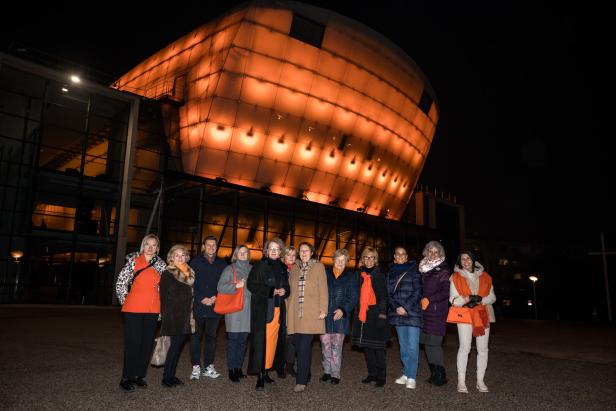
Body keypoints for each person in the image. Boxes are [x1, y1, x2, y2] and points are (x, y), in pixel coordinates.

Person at [115, 234, 167, 391]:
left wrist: (162, 310)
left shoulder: (161, 265)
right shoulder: (133, 261)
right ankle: (126, 377)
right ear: (143, 246)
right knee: (133, 343)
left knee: (146, 344)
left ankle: (139, 375)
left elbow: (163, 289)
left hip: (153, 310)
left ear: (157, 248)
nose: (150, 248)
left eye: (154, 245)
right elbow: (120, 284)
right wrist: (127, 302)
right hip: (134, 309)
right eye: (147, 244)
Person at [450, 250, 496, 393]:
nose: (465, 261)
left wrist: (480, 299)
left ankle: (480, 381)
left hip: (483, 315)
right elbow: (453, 300)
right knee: (465, 348)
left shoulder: (486, 277)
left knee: (483, 349)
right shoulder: (455, 277)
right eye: (462, 259)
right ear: (460, 262)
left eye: (468, 258)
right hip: (465, 316)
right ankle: (461, 382)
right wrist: (467, 298)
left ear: (473, 260)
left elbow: (492, 297)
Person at [247, 238, 290, 391]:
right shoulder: (260, 266)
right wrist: (271, 291)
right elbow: (251, 284)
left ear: (280, 252)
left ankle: (266, 372)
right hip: (263, 310)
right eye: (270, 248)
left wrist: (285, 291)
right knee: (261, 343)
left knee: (272, 343)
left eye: (276, 248)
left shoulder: (283, 267)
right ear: (266, 251)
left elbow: (286, 287)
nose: (273, 251)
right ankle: (259, 375)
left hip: (278, 311)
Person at [287, 242, 328, 392]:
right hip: (295, 313)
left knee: (304, 346)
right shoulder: (295, 268)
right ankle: (306, 371)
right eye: (301, 251)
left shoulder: (319, 267)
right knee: (297, 344)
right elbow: (289, 289)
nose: (303, 253)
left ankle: (301, 381)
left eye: (306, 250)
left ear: (312, 252)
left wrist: (323, 309)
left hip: (310, 313)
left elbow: (323, 289)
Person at [189, 236, 227, 380]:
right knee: (195, 337)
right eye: (208, 245)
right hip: (199, 305)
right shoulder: (195, 262)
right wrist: (201, 298)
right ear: (203, 246)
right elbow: (190, 283)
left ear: (217, 247)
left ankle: (208, 366)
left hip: (215, 307)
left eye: (214, 245)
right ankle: (195, 367)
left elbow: (225, 284)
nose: (211, 247)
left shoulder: (222, 264)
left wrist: (217, 297)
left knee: (211, 338)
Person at [351, 246, 389, 387]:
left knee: (378, 348)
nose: (369, 260)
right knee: (367, 347)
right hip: (363, 315)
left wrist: (382, 315)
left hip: (376, 314)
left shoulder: (379, 275)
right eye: (366, 257)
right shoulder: (358, 275)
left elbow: (384, 297)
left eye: (372, 257)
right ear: (363, 259)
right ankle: (371, 374)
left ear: (376, 260)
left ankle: (381, 376)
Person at [320, 248, 358, 385]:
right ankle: (327, 371)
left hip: (340, 317)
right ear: (333, 260)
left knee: (336, 347)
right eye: (338, 259)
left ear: (346, 262)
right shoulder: (325, 274)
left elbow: (353, 297)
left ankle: (335, 373)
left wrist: (343, 309)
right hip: (325, 316)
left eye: (344, 260)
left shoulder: (350, 276)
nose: (341, 262)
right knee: (325, 345)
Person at [160, 244, 195, 388]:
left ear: (186, 256)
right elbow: (164, 297)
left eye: (182, 255)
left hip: (187, 316)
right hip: (174, 316)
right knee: (174, 347)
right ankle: (166, 377)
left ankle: (171, 375)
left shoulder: (190, 272)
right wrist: (166, 316)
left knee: (178, 347)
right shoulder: (168, 273)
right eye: (176, 255)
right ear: (171, 258)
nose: (180, 257)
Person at [387, 246, 422, 389]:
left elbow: (418, 292)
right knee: (403, 347)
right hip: (398, 314)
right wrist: (396, 307)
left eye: (403, 254)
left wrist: (405, 307)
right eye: (398, 254)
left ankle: (412, 376)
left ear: (406, 257)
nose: (400, 256)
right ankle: (406, 373)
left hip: (412, 313)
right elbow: (389, 294)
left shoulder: (414, 271)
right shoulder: (390, 273)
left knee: (413, 346)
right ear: (394, 257)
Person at [217, 245, 252, 382]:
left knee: (243, 342)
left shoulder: (252, 269)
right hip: (234, 311)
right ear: (235, 255)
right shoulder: (230, 269)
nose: (243, 255)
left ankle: (238, 368)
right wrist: (235, 286)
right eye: (240, 253)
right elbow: (220, 286)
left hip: (248, 310)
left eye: (245, 253)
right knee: (234, 341)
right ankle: (231, 369)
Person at [418, 240, 451, 386]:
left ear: (440, 253)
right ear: (426, 252)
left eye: (435, 252)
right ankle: (434, 374)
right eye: (430, 251)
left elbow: (445, 292)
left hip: (436, 311)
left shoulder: (443, 269)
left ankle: (441, 376)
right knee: (427, 343)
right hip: (423, 312)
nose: (432, 254)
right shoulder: (422, 268)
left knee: (435, 344)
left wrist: (429, 299)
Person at [275, 246, 298, 378]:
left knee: (292, 338)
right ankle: (280, 365)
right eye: (288, 254)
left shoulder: (298, 270)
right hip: (281, 307)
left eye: (294, 255)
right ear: (283, 256)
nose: (291, 257)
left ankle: (289, 365)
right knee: (281, 338)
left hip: (293, 309)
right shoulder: (279, 269)